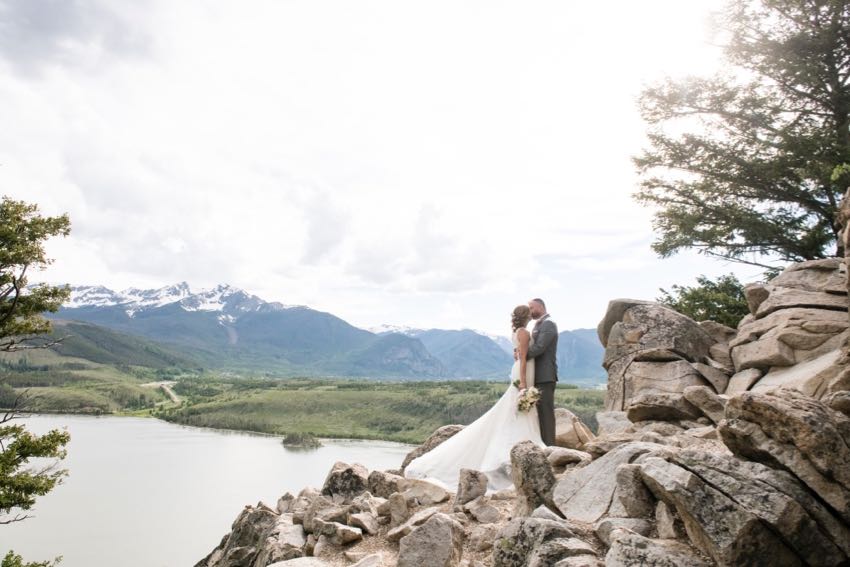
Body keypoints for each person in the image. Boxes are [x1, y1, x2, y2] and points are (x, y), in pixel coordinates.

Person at [403, 305, 544, 492]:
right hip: (524, 371)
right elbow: (524, 357)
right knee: (516, 409)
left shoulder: (517, 332)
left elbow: (518, 354)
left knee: (512, 410)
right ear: (526, 316)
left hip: (519, 369)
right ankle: (514, 450)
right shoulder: (524, 332)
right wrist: (524, 385)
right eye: (530, 313)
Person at [526, 298, 558, 445]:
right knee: (539, 414)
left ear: (540, 307)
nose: (530, 311)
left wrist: (522, 354)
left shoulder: (549, 324)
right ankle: (543, 443)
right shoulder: (539, 324)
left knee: (546, 413)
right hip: (537, 375)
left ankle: (550, 446)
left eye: (532, 308)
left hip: (545, 375)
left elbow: (540, 347)